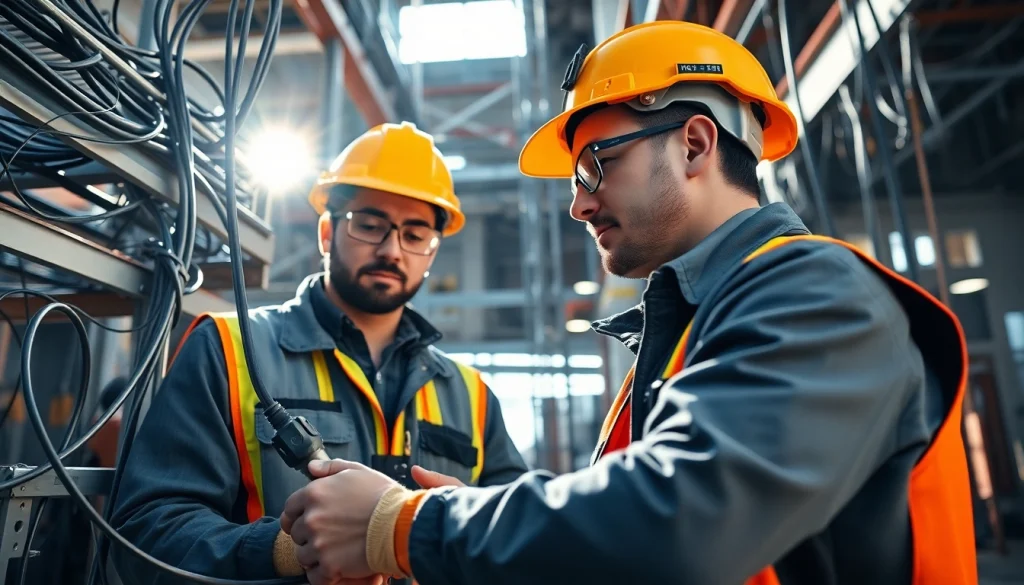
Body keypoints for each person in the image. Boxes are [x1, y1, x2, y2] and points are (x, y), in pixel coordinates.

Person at [276, 21, 979, 585]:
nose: (579, 205)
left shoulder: (815, 296)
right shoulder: (693, 327)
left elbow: (681, 525)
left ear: (695, 144)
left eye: (595, 166)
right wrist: (470, 518)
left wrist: (403, 527)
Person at [108, 121, 529, 585]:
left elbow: (519, 541)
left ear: (432, 253)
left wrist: (459, 527)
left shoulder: (472, 396)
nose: (392, 250)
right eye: (370, 226)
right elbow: (146, 533)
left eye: (414, 235)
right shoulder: (229, 348)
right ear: (327, 233)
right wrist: (288, 550)